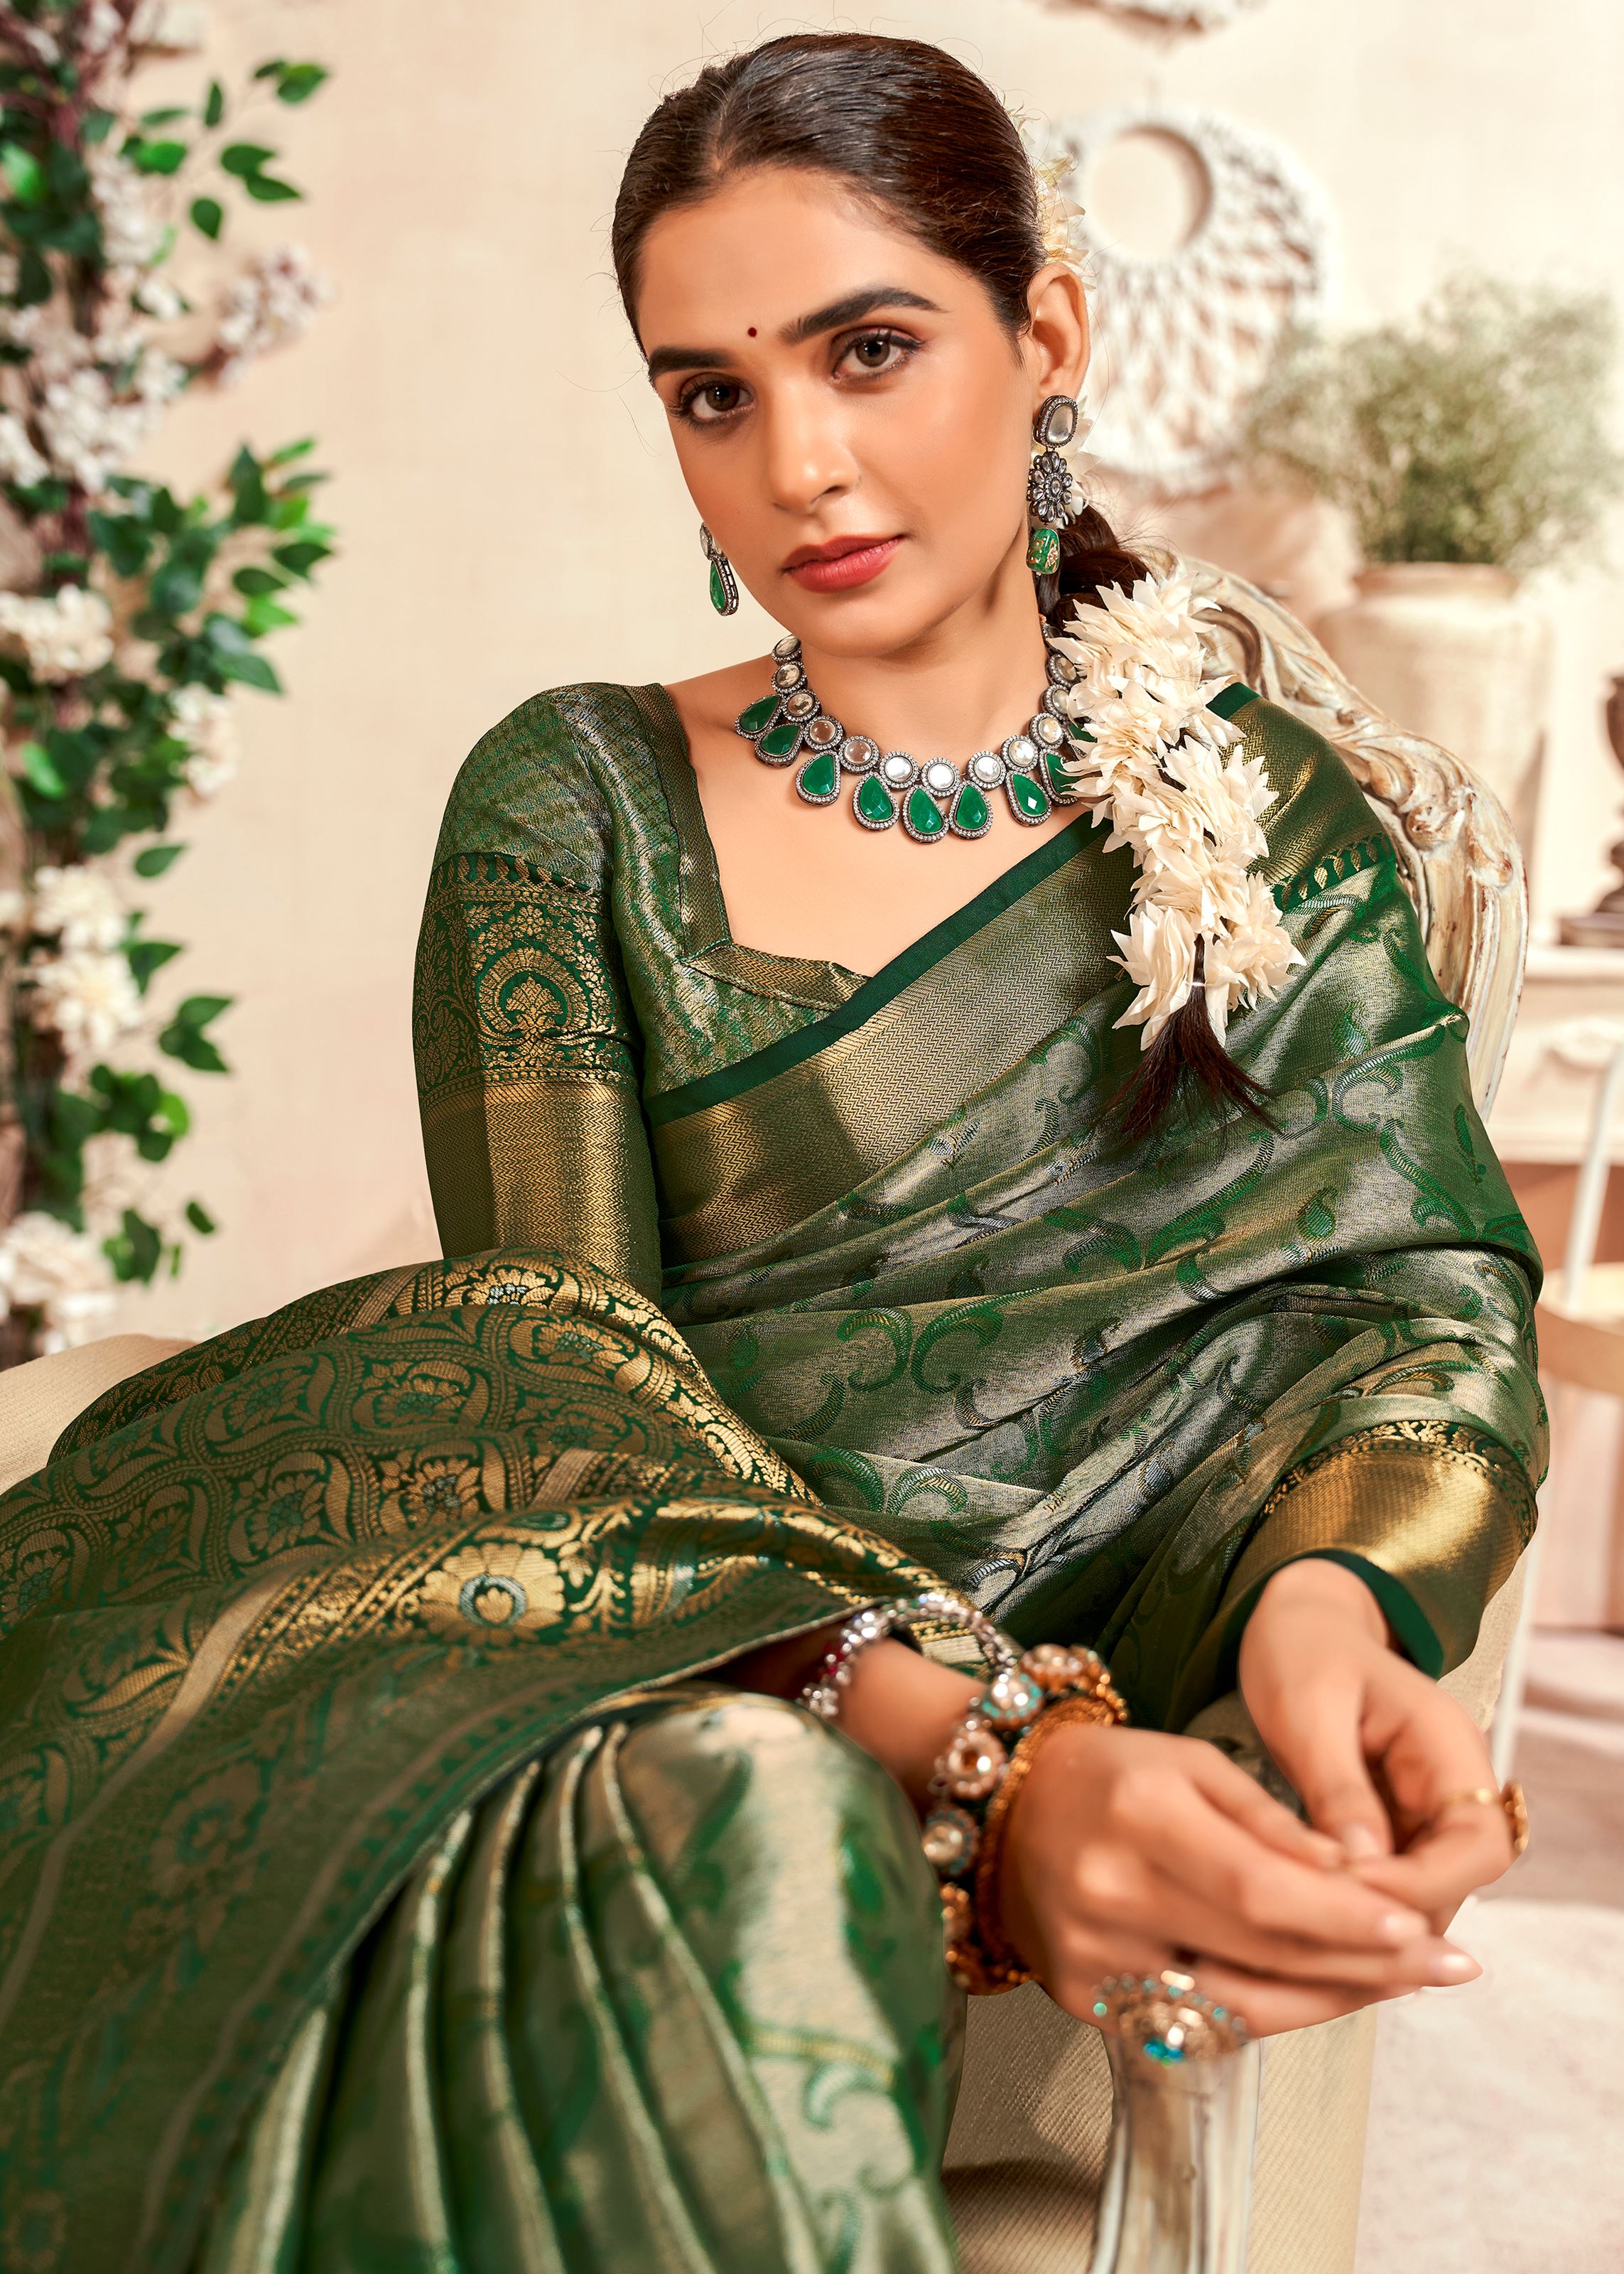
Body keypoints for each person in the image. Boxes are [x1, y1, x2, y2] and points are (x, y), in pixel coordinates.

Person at [0, 32, 1542, 2274]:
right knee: (749, 1821)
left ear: (1048, 334)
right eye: (711, 393)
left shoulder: (1260, 819)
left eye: (870, 350)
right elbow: (563, 1406)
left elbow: (1409, 1306)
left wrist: (1336, 1598)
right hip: (626, 1698)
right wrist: (984, 1763)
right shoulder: (580, 802)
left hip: (1038, 1719)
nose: (796, 462)